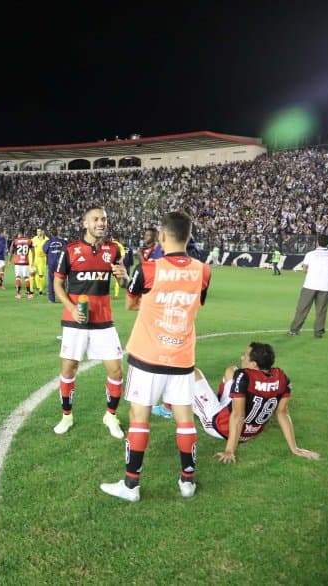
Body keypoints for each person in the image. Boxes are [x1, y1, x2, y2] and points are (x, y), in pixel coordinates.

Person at [100, 210, 211, 502]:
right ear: (188, 237)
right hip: (182, 357)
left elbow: (131, 305)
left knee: (139, 417)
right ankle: (187, 482)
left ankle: (131, 485)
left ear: (162, 236)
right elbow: (195, 303)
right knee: (185, 420)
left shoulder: (148, 268)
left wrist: (136, 290)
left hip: (148, 355)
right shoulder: (203, 271)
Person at [52, 207, 129, 440]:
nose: (101, 223)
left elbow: (125, 284)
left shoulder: (114, 250)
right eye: (95, 219)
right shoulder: (70, 251)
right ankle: (67, 416)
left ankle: (111, 416)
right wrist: (72, 308)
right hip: (75, 322)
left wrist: (123, 277)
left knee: (116, 369)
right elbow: (57, 286)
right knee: (68, 369)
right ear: (85, 223)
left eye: (104, 219)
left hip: (104, 322)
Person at [192, 342, 320, 463]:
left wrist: (229, 450)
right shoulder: (281, 377)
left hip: (220, 426)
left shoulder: (244, 376)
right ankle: (215, 401)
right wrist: (294, 448)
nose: (242, 357)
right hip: (251, 431)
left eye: (245, 356)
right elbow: (282, 413)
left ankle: (175, 404)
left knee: (192, 373)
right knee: (231, 370)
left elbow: (238, 416)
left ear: (253, 364)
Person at [288, 234, 328, 339]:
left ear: (317, 242)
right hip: (325, 286)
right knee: (321, 311)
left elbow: (304, 270)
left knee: (302, 309)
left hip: (310, 285)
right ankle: (318, 332)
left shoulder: (310, 254)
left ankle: (294, 330)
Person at [44, 229, 68, 303]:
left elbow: (44, 250)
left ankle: (51, 299)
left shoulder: (48, 242)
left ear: (51, 234)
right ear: (58, 233)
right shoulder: (63, 241)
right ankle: (62, 298)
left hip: (51, 263)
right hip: (60, 264)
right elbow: (68, 249)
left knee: (51, 280)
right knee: (62, 280)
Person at [10, 231, 35, 299]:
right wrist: (33, 260)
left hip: (17, 261)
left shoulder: (15, 241)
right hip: (25, 261)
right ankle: (29, 294)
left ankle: (18, 294)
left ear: (19, 234)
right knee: (26, 277)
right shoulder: (29, 240)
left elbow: (11, 250)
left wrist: (10, 260)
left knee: (18, 277)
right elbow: (33, 251)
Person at [31, 227, 49, 296]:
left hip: (42, 259)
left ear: (43, 232)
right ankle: (31, 290)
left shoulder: (47, 239)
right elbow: (29, 246)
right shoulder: (34, 239)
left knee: (41, 275)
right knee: (32, 273)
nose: (38, 233)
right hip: (35, 258)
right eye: (37, 231)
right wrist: (32, 245)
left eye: (39, 231)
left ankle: (41, 290)